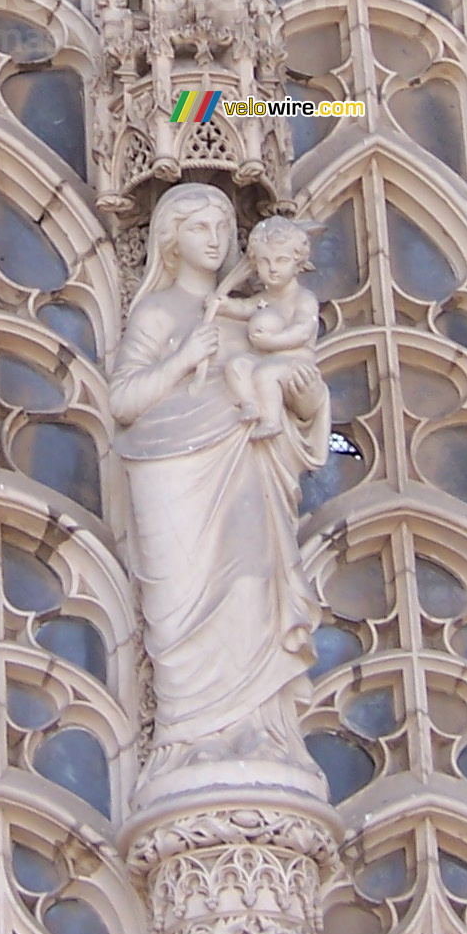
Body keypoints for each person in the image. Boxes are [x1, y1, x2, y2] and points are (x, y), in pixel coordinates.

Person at [106, 184, 330, 785]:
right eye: (199, 228)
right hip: (173, 476)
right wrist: (182, 360)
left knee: (251, 591)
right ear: (169, 241)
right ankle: (188, 738)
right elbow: (123, 399)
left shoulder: (259, 312)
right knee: (183, 613)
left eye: (223, 226)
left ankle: (258, 729)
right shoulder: (157, 313)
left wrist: (306, 400)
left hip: (245, 468)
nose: (216, 239)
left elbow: (297, 395)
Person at [216, 217, 326, 454]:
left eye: (281, 260)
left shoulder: (303, 298)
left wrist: (272, 342)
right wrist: (225, 305)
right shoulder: (265, 298)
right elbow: (245, 308)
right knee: (237, 365)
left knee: (266, 374)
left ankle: (271, 421)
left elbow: (303, 330)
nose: (273, 268)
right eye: (265, 262)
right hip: (268, 360)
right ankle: (249, 404)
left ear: (298, 263)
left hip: (297, 365)